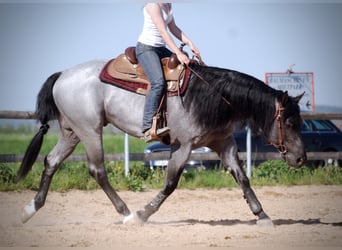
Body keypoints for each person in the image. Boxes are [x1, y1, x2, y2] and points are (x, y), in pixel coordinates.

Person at [136, 2, 200, 142]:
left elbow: (173, 28)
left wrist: (190, 44)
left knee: (185, 72)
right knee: (158, 82)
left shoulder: (168, 6)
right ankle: (148, 127)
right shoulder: (153, 5)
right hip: (147, 48)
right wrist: (178, 53)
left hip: (160, 49)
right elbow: (163, 32)